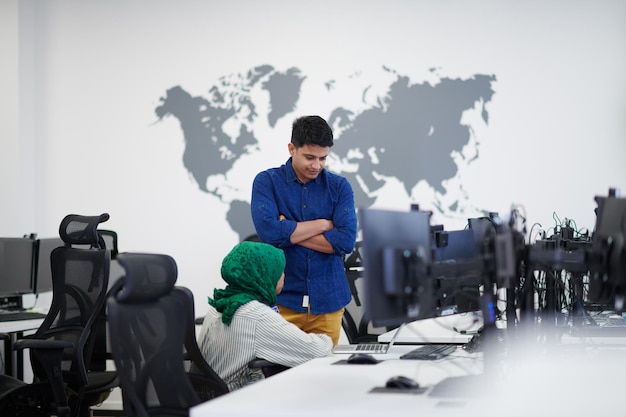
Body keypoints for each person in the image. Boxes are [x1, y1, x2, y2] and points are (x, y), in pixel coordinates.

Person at [250, 115, 357, 345]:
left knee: (327, 376)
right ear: (292, 148)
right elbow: (269, 233)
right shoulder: (266, 182)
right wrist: (324, 224)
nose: (316, 165)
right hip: (283, 301)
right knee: (281, 377)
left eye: (322, 158)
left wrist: (288, 231)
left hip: (328, 301)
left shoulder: (339, 187)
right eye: (310, 157)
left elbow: (345, 242)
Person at [197, 241, 332, 391]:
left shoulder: (220, 303)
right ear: (263, 273)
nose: (283, 275)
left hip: (208, 396)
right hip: (238, 399)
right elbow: (317, 351)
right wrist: (326, 338)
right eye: (279, 270)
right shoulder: (254, 314)